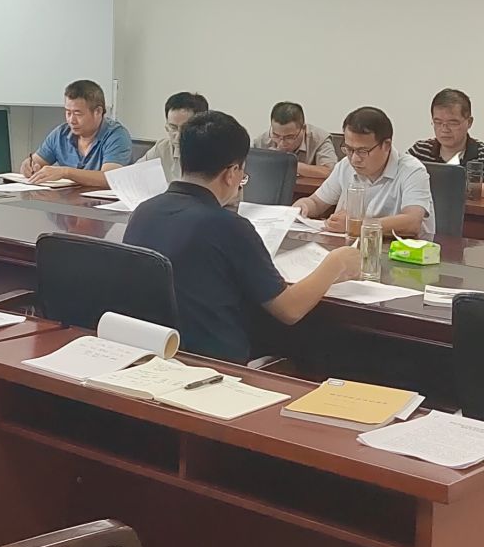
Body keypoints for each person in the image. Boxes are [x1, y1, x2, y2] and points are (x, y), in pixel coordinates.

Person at [124, 112, 363, 363]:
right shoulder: (227, 226)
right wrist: (336, 263)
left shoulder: (143, 212)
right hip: (214, 366)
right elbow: (289, 309)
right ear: (231, 173)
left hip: (152, 356)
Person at [294, 107, 433, 239]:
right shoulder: (345, 166)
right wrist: (303, 206)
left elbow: (412, 222)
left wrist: (356, 225)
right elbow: (316, 202)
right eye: (349, 149)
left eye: (362, 151)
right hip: (349, 248)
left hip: (398, 252)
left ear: (386, 145)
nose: (354, 159)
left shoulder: (412, 171)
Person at [21, 80, 132, 189]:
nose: (71, 120)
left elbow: (110, 179)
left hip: (103, 200)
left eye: (78, 114)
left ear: (98, 112)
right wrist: (28, 167)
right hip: (66, 198)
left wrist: (65, 172)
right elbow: (36, 161)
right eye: (68, 112)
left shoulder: (116, 136)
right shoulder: (60, 134)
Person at [407, 88, 484, 200]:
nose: (444, 129)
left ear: (469, 122)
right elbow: (398, 177)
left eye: (452, 123)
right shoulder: (419, 150)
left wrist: (446, 185)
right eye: (438, 122)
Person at [254, 101, 339, 186]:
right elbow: (249, 168)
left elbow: (330, 171)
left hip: (309, 191)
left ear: (303, 128)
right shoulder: (263, 140)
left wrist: (290, 164)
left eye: (289, 137)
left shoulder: (319, 139)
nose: (282, 143)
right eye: (276, 135)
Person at [143, 91, 209, 171]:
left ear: (202, 128)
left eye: (185, 129)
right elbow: (134, 173)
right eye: (173, 127)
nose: (178, 136)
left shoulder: (215, 154)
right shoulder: (162, 148)